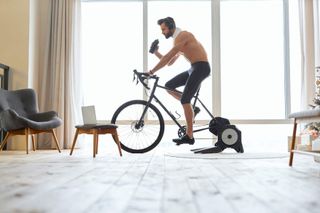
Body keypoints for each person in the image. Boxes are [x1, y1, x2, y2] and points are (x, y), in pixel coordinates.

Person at [148, 17, 211, 145]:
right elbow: (170, 61)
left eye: (164, 29)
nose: (162, 32)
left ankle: (189, 136)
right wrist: (156, 52)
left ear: (171, 27)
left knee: (184, 100)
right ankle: (193, 108)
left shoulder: (183, 36)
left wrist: (151, 72)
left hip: (201, 67)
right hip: (193, 68)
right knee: (168, 86)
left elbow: (167, 58)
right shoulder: (177, 40)